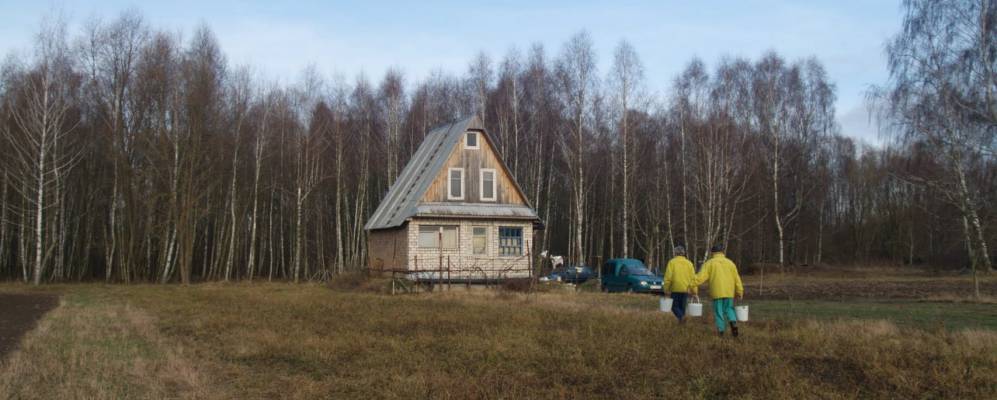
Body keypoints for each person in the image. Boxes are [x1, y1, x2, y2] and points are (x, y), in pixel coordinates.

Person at [691, 243, 744, 337]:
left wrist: (691, 284)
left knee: (719, 312)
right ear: (722, 252)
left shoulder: (710, 263)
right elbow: (737, 279)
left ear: (713, 253)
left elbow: (700, 277)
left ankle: (721, 331)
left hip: (717, 292)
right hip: (729, 292)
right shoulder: (730, 263)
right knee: (729, 309)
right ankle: (733, 323)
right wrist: (739, 291)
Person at [663, 244, 697, 323]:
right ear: (684, 253)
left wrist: (666, 289)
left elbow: (668, 277)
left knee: (674, 307)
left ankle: (681, 317)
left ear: (675, 253)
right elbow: (693, 279)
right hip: (686, 289)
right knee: (682, 307)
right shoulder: (689, 263)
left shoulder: (672, 262)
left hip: (675, 288)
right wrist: (694, 291)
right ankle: (682, 322)